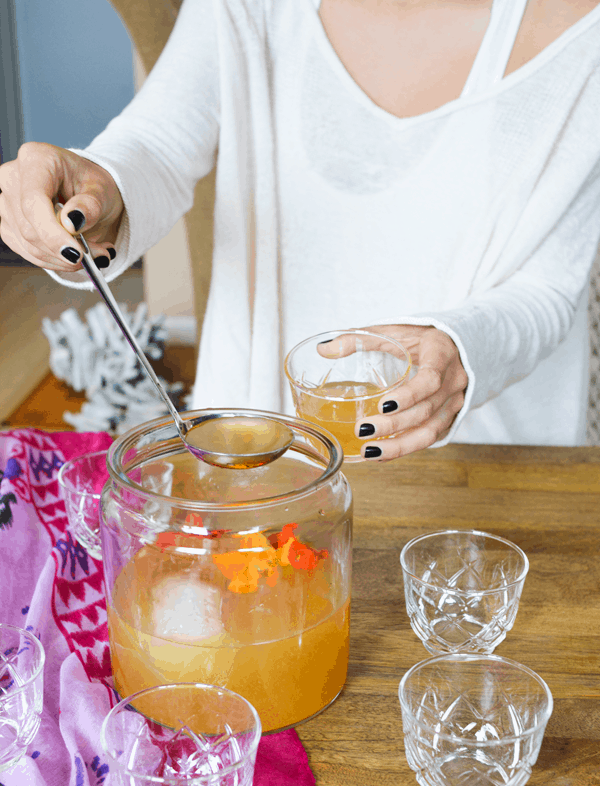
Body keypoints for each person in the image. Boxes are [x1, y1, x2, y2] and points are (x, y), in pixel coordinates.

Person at [1, 0, 600, 459]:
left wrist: (465, 353)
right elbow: (156, 145)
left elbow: (549, 290)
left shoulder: (583, 32)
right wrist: (92, 191)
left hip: (490, 474)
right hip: (262, 454)